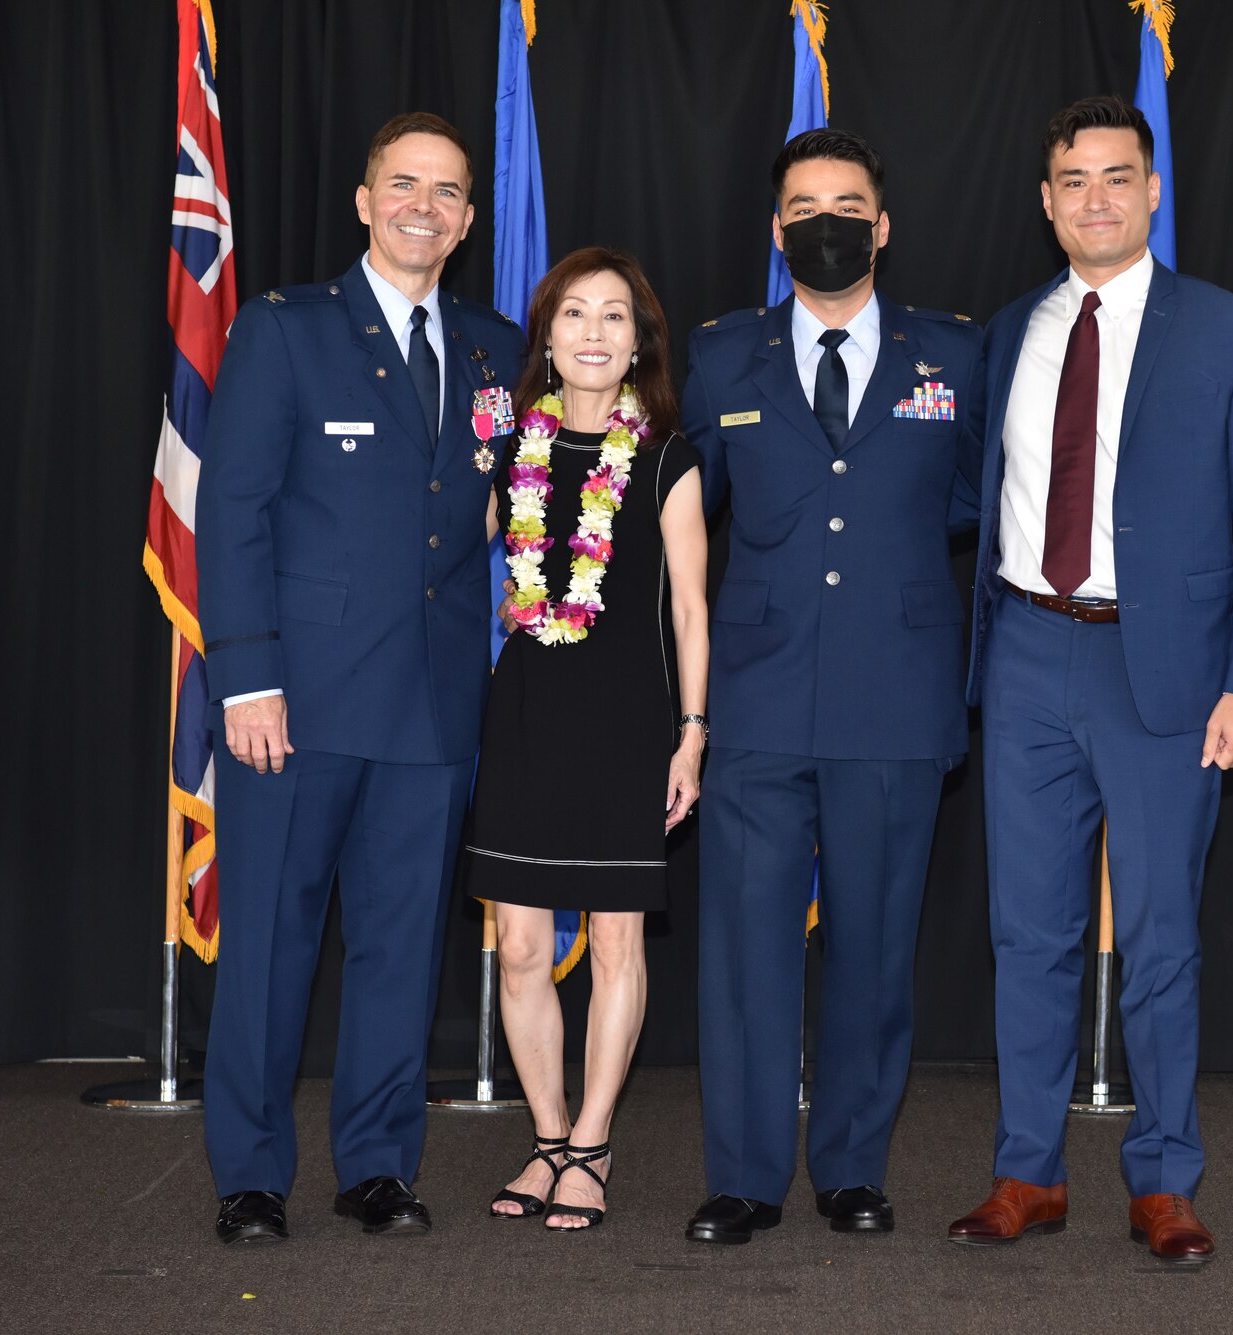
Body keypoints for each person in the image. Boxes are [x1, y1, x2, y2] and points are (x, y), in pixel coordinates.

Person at [945, 95, 1233, 1267]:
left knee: (1156, 941)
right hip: (1027, 656)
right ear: (1044, 202)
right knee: (1028, 936)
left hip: (1166, 674)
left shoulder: (1229, 328)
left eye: (1115, 177)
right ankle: (1026, 1174)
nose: (1094, 199)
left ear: (1152, 191)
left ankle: (1162, 1179)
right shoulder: (1006, 333)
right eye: (1071, 180)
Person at [196, 112, 525, 1245]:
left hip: (433, 704)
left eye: (444, 191)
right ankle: (249, 1174)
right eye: (402, 184)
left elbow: (499, 506)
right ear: (362, 199)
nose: (421, 207)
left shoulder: (493, 344)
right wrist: (244, 681)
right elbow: (231, 509)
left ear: (470, 218)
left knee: (400, 945)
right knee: (271, 946)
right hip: (298, 703)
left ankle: (377, 1166)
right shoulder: (286, 330)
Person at [679, 128, 984, 1244]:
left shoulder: (955, 355)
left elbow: (974, 502)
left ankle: (852, 1166)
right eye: (804, 206)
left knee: (872, 947)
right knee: (747, 949)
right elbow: (681, 518)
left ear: (883, 225)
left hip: (897, 696)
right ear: (775, 230)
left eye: (847, 204)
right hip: (755, 697)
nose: (826, 223)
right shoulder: (721, 358)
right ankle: (745, 1178)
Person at [458, 248, 707, 1231]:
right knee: (519, 947)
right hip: (523, 714)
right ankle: (550, 1136)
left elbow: (691, 607)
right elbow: (448, 551)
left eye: (615, 317)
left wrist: (691, 736)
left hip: (629, 721)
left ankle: (594, 1144)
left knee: (613, 945)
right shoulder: (509, 449)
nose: (595, 334)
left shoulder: (666, 457)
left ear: (640, 341)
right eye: (574, 315)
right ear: (546, 336)